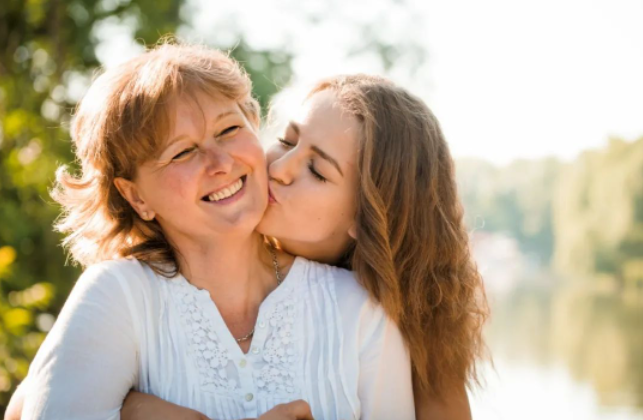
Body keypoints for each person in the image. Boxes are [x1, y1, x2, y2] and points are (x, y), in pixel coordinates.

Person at [8, 42, 415, 420]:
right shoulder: (118, 296)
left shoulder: (358, 308)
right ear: (137, 198)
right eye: (182, 152)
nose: (219, 161)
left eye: (228, 130)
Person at [116, 74, 489, 420]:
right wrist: (129, 406)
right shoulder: (163, 271)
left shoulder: (403, 336)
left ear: (367, 217)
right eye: (287, 141)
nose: (280, 168)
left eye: (317, 171)